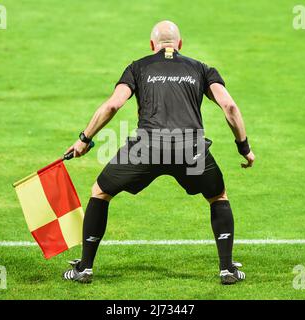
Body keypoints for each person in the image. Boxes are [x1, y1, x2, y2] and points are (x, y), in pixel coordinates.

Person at [63, 20, 255, 285]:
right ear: (180, 44)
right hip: (191, 150)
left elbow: (112, 106)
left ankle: (84, 269)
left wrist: (84, 139)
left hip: (147, 147)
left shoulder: (138, 67)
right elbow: (230, 107)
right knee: (217, 196)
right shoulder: (201, 69)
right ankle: (226, 270)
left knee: (101, 191)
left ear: (153, 45)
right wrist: (244, 147)